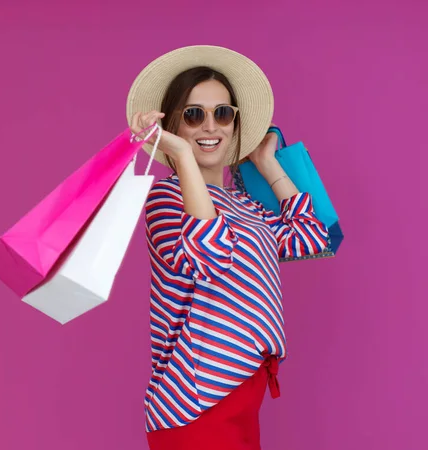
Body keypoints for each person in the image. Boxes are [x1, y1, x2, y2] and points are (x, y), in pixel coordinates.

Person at [127, 45, 330, 450]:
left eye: (222, 114)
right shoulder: (167, 198)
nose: (209, 126)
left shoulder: (244, 205)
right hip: (196, 404)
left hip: (242, 397)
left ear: (235, 124)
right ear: (174, 126)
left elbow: (311, 236)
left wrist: (267, 163)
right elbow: (211, 255)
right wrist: (181, 156)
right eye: (193, 114)